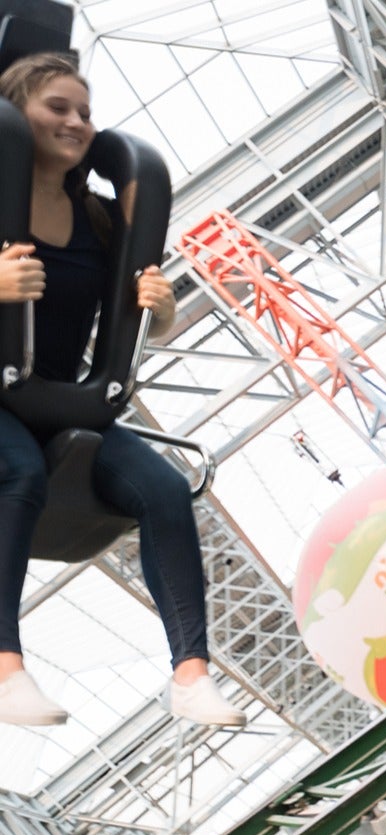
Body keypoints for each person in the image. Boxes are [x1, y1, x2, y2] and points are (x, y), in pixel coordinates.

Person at [0, 52, 246, 729]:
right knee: (16, 472)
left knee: (165, 489)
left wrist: (158, 313)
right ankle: (3, 666)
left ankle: (191, 675)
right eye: (58, 107)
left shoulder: (101, 218)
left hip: (54, 397)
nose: (77, 122)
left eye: (85, 112)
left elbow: (133, 321)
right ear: (16, 113)